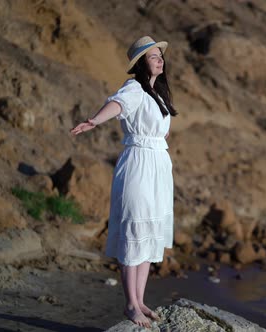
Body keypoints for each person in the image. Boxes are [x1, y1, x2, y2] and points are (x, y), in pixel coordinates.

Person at [70, 36, 178, 328]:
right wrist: (93, 121)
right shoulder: (134, 88)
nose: (160, 59)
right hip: (138, 166)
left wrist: (158, 137)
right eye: (153, 56)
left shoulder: (159, 94)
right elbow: (116, 105)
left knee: (149, 231)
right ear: (141, 63)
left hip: (157, 166)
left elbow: (160, 130)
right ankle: (130, 304)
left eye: (160, 55)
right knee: (134, 229)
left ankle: (140, 299)